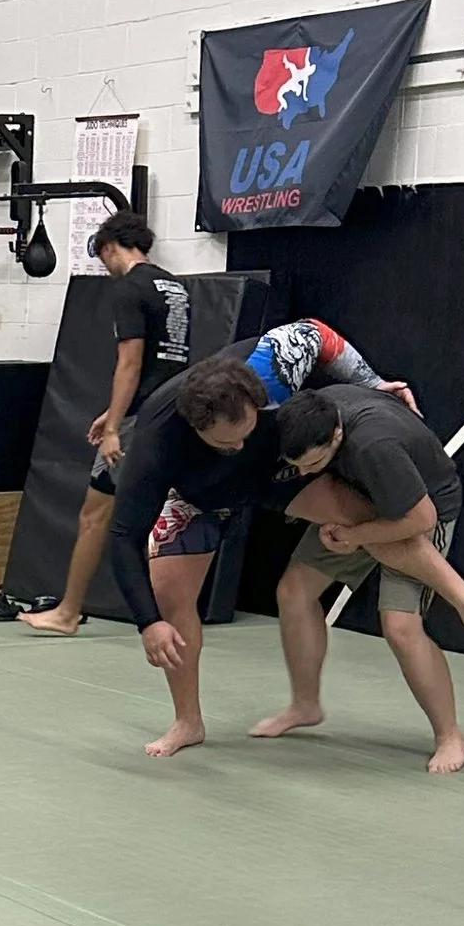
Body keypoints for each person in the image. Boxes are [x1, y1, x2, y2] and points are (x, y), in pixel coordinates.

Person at [101, 323, 400, 756]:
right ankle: (188, 722)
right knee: (168, 597)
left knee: (370, 518)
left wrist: (372, 383)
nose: (239, 444)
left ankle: (450, 589)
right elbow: (124, 535)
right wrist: (149, 623)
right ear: (195, 426)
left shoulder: (269, 364)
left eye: (246, 429)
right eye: (227, 440)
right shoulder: (155, 443)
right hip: (199, 494)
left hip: (278, 470)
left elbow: (319, 335)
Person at [256, 383, 464, 775]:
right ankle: (304, 705)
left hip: (420, 511)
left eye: (313, 463)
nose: (305, 473)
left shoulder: (372, 446)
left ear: (336, 436)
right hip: (359, 498)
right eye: (299, 466)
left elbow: (421, 518)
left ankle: (450, 735)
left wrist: (357, 537)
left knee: (400, 627)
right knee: (293, 592)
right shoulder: (309, 416)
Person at [19, 211, 204, 636]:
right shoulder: (173, 286)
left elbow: (131, 362)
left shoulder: (130, 289)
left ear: (108, 248)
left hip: (141, 420)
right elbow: (166, 360)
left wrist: (116, 427)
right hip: (174, 409)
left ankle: (67, 613)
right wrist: (113, 412)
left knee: (93, 515)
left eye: (103, 259)